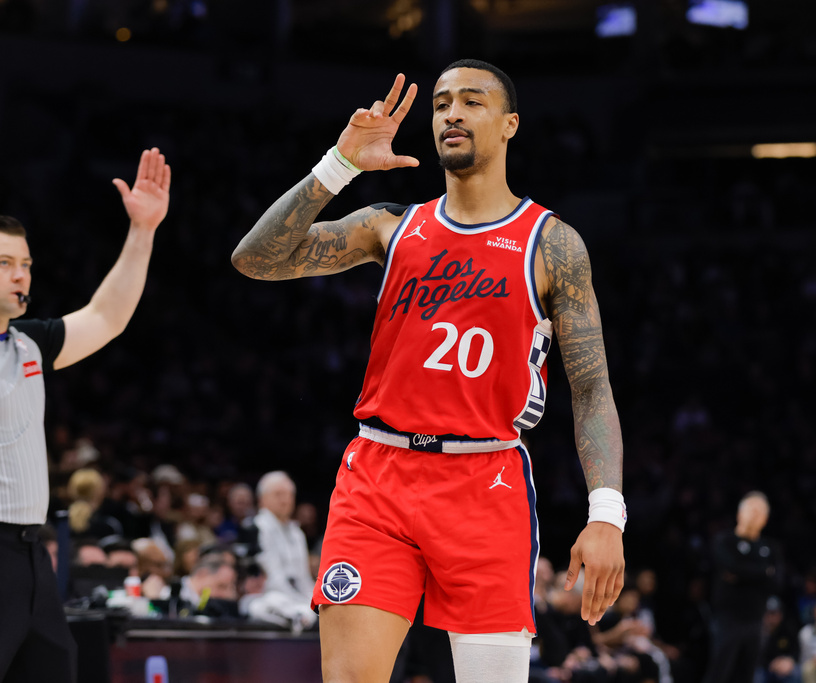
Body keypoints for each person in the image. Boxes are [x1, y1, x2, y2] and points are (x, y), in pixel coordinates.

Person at [232, 59, 626, 683]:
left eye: (472, 102)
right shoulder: (391, 225)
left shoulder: (551, 243)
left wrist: (606, 514)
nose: (452, 114)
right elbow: (255, 259)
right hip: (379, 479)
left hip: (486, 479)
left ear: (509, 125)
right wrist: (339, 165)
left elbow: (593, 386)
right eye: (442, 103)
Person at [0, 147, 170, 683]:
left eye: (27, 264)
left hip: (32, 557)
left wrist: (143, 230)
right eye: (5, 264)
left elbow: (107, 316)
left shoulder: (32, 343)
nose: (21, 276)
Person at [703, 491, 781, 683]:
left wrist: (740, 575)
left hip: (756, 620)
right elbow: (729, 566)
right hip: (727, 619)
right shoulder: (724, 540)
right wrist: (763, 572)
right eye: (751, 509)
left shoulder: (771, 547)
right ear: (739, 514)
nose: (755, 514)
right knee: (719, 674)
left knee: (747, 676)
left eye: (760, 511)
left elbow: (777, 582)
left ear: (766, 519)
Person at [249, 471, 317, 619]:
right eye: (278, 494)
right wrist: (302, 603)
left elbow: (303, 577)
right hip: (269, 596)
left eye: (288, 495)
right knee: (271, 603)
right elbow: (273, 577)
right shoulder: (257, 528)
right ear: (262, 499)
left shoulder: (297, 533)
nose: (285, 500)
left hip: (297, 598)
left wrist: (314, 602)